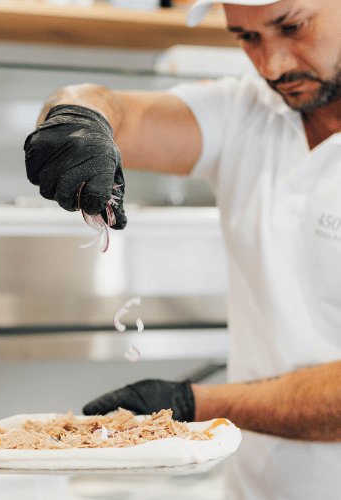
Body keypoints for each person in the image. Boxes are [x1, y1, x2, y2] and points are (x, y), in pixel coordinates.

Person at [24, 0, 341, 498]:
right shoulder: (247, 111)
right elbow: (114, 109)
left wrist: (193, 404)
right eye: (247, 37)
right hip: (254, 486)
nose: (272, 66)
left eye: (293, 26)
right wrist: (77, 119)